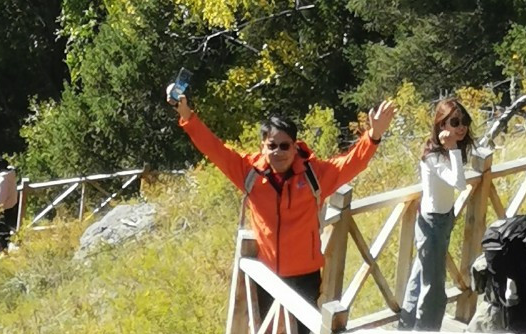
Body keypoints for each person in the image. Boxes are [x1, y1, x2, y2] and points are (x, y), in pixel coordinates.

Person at [170, 90, 398, 301]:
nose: (278, 152)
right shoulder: (249, 173)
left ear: (295, 146)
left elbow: (352, 163)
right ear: (263, 146)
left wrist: (374, 135)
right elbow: (214, 149)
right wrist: (187, 116)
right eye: (272, 145)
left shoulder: (314, 175)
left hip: (305, 277)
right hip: (265, 276)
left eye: (284, 146)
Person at [400, 97, 473, 332]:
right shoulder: (433, 155)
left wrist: (454, 149)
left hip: (444, 217)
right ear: (442, 125)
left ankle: (406, 326)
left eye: (465, 121)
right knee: (433, 284)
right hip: (431, 222)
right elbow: (459, 183)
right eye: (454, 121)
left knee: (420, 274)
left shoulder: (450, 151)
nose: (461, 127)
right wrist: (452, 149)